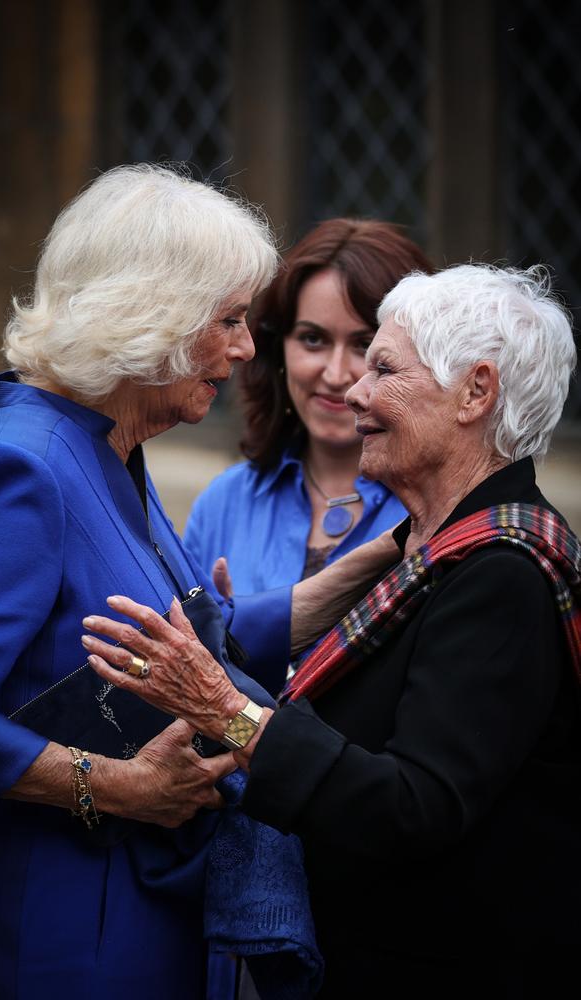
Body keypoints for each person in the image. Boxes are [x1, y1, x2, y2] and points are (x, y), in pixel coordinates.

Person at [0, 164, 399, 999]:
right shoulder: (28, 465)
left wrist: (367, 576)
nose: (247, 349)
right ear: (149, 318)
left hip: (140, 907)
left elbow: (180, 641)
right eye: (227, 321)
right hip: (58, 923)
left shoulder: (110, 445)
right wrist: (118, 787)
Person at [84, 263, 581, 999]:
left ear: (476, 392)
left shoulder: (501, 576)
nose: (353, 391)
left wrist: (229, 710)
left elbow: (413, 807)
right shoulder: (436, 550)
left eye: (382, 366)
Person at [184, 218, 433, 596]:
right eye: (313, 339)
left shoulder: (438, 511)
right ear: (277, 348)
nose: (335, 375)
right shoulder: (224, 504)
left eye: (365, 345)